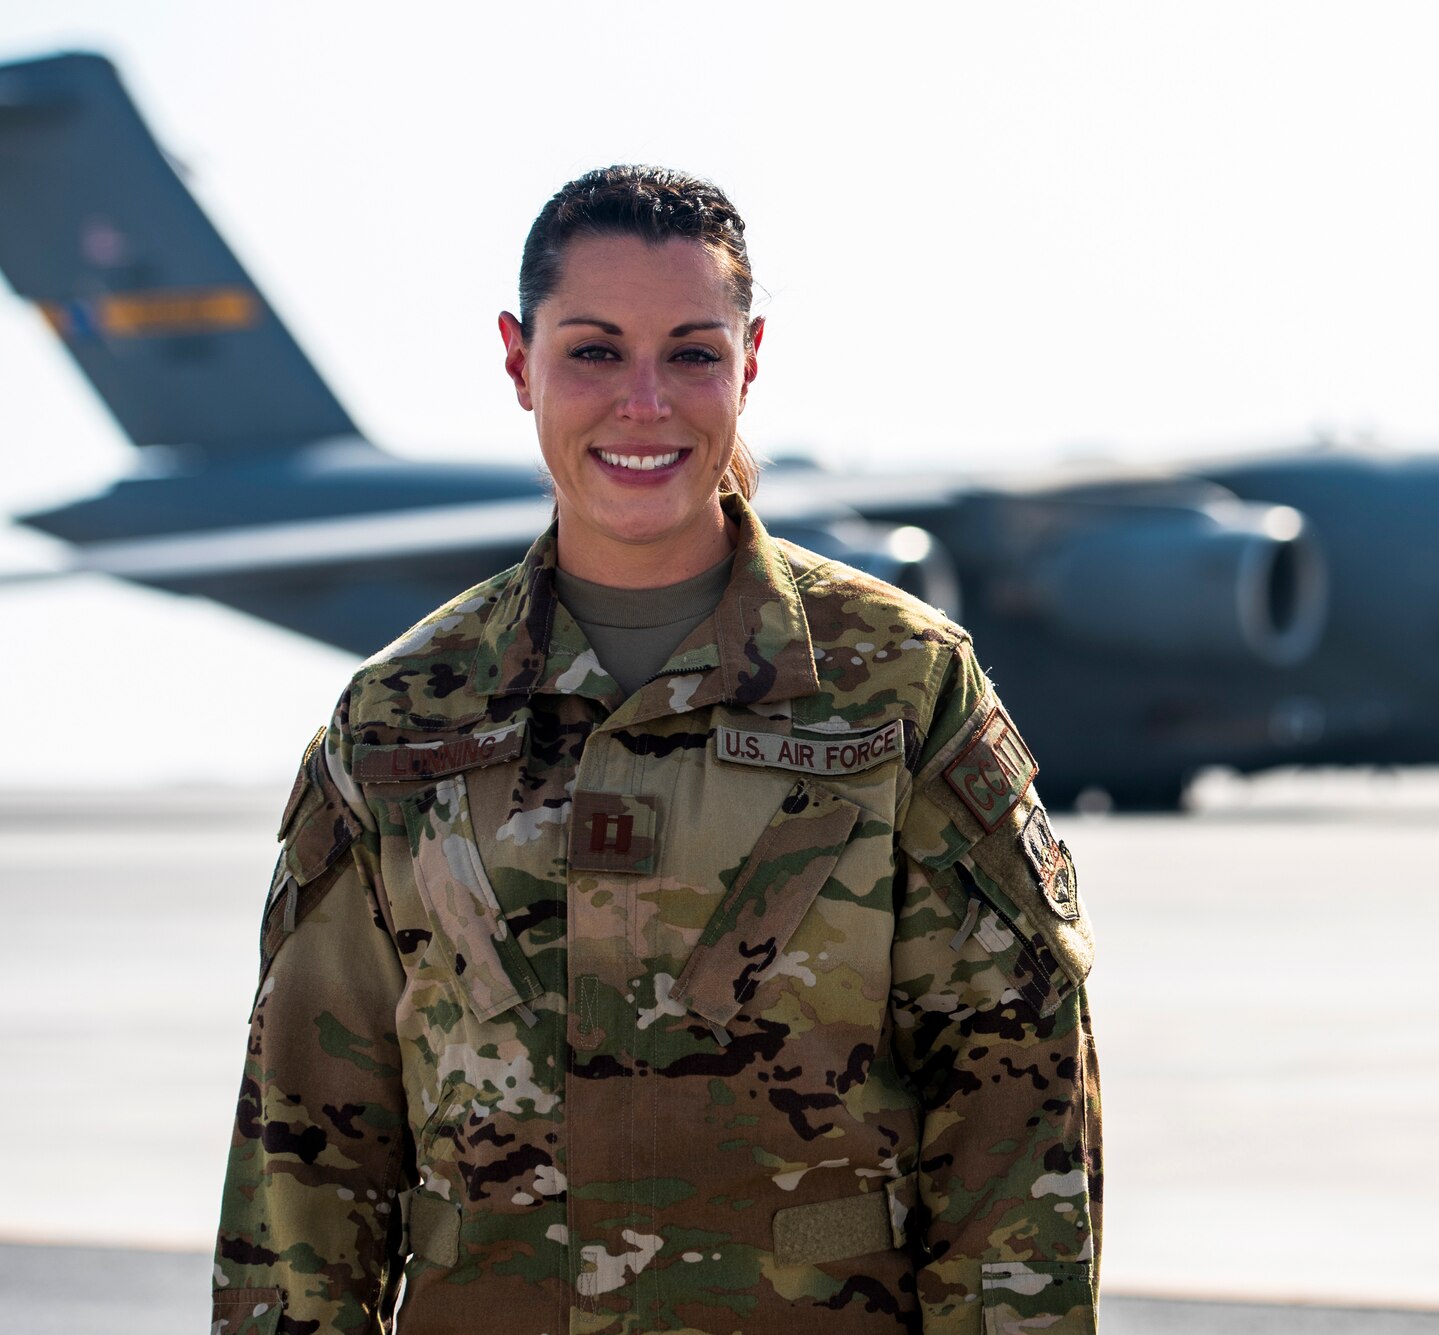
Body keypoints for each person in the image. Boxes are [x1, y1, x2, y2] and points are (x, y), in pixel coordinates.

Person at [212, 166, 1100, 1334]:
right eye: (591, 351)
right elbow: (305, 1148)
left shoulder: (895, 686)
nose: (645, 402)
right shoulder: (401, 719)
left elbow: (1014, 1113)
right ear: (516, 358)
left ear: (751, 358)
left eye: (691, 352)